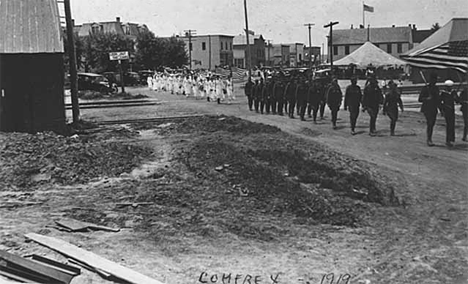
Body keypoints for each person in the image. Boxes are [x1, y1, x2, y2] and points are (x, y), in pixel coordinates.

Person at [418, 73, 441, 146]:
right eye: (434, 79)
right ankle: (429, 139)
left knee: (432, 123)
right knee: (430, 123)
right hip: (427, 108)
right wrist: (427, 99)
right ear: (431, 80)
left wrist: (441, 108)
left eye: (436, 80)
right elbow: (420, 99)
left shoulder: (436, 88)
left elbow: (438, 99)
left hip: (434, 108)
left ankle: (429, 138)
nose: (435, 81)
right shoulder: (425, 88)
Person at [440, 80, 457, 147]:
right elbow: (439, 101)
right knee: (449, 124)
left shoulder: (453, 92)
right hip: (446, 109)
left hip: (452, 109)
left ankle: (452, 139)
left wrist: (455, 98)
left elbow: (457, 100)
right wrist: (442, 110)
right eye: (448, 87)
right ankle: (448, 140)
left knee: (452, 124)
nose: (449, 88)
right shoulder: (443, 93)